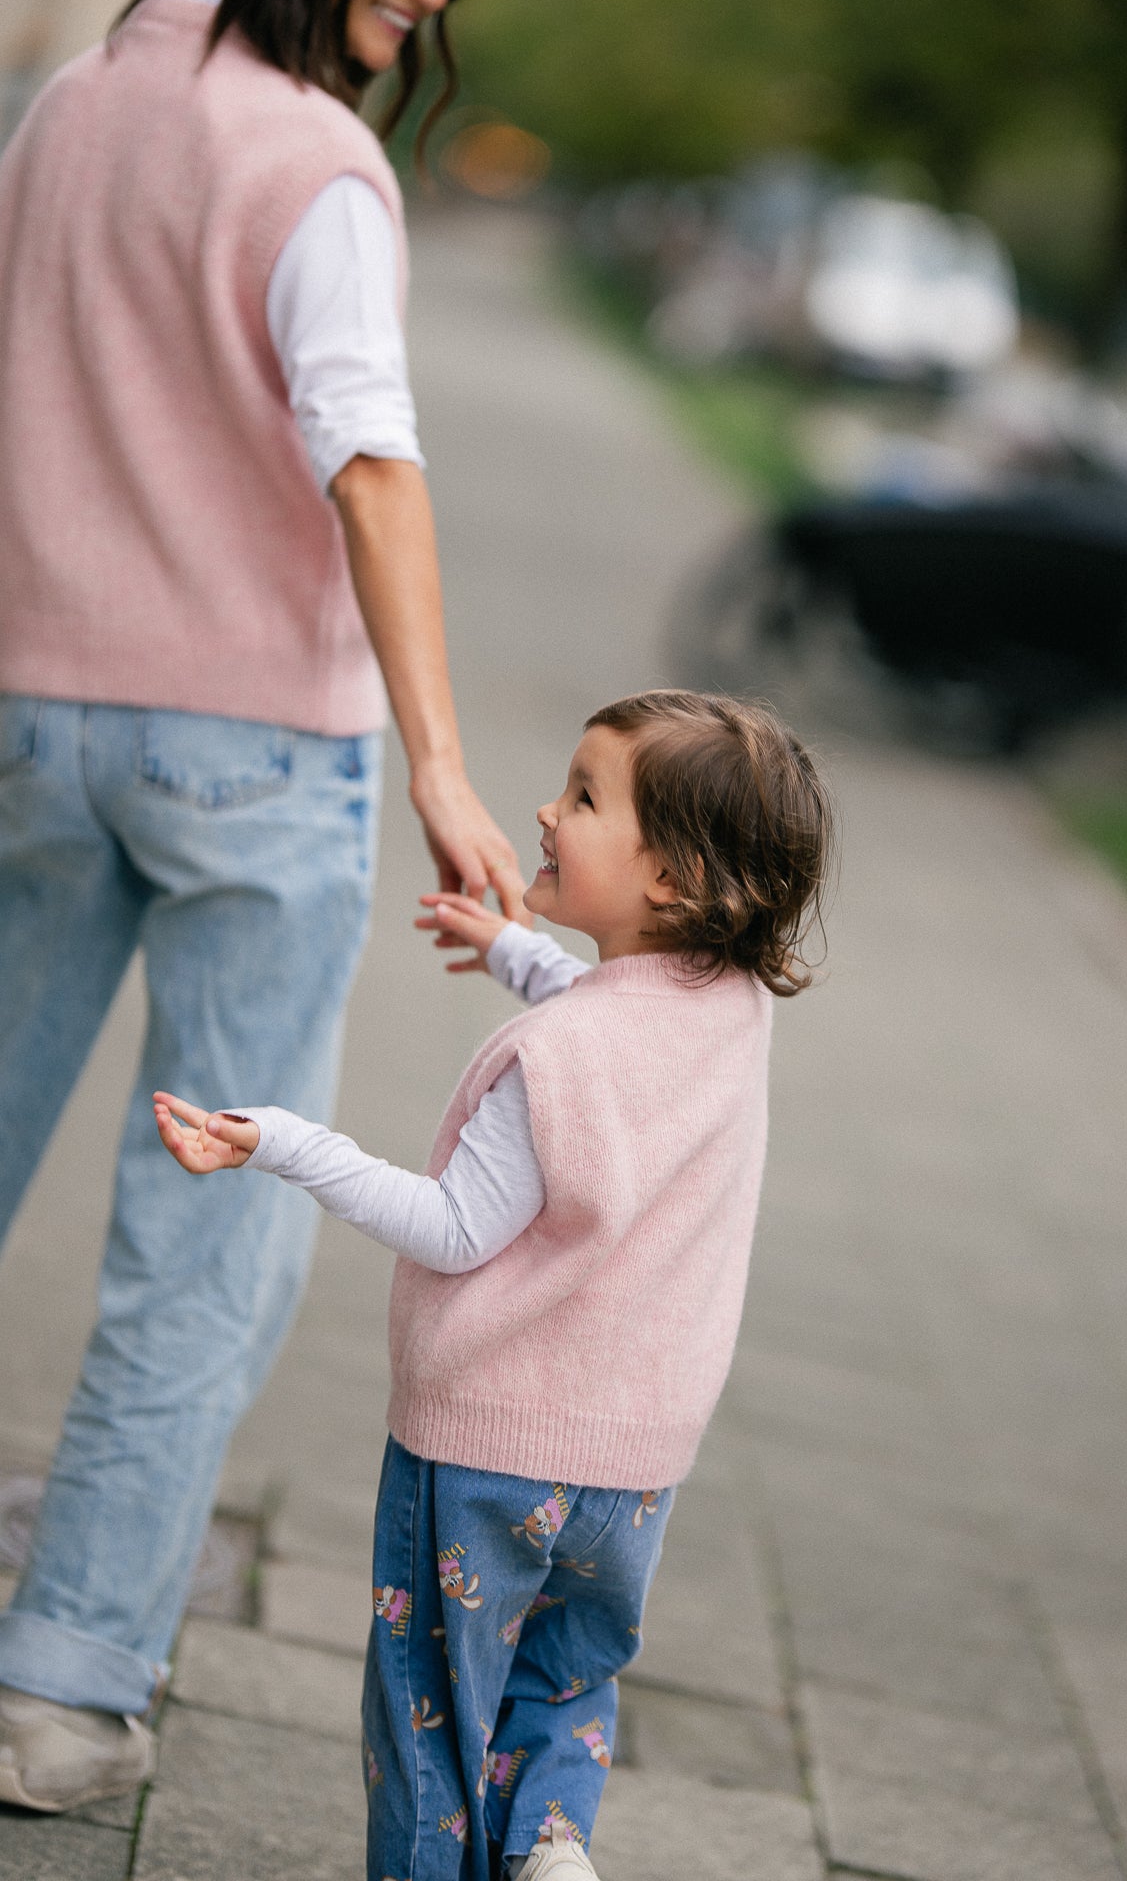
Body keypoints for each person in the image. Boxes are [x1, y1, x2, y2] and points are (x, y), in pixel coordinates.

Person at [0, 0, 528, 1812]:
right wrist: (451, 770)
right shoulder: (313, 164)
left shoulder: (71, 101)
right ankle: (60, 1690)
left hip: (33, 720)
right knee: (203, 1238)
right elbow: (367, 455)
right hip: (251, 757)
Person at [150, 689, 833, 1881]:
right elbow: (621, 1015)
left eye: (581, 795)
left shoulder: (552, 1060)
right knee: (563, 1682)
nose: (544, 809)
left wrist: (286, 1142)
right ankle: (553, 1849)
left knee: (430, 1720)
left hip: (485, 1452)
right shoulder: (727, 1014)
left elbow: (456, 1225)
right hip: (630, 1473)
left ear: (667, 879)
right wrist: (514, 946)